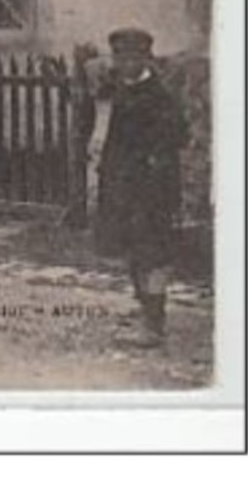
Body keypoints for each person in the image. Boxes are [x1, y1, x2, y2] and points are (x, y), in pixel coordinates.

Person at [95, 28, 188, 349]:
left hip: (152, 189)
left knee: (153, 252)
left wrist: (153, 162)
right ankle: (144, 310)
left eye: (134, 56)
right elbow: (98, 133)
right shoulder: (112, 91)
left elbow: (179, 136)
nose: (127, 63)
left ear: (147, 58)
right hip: (119, 186)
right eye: (121, 56)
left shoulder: (159, 96)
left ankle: (154, 323)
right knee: (130, 251)